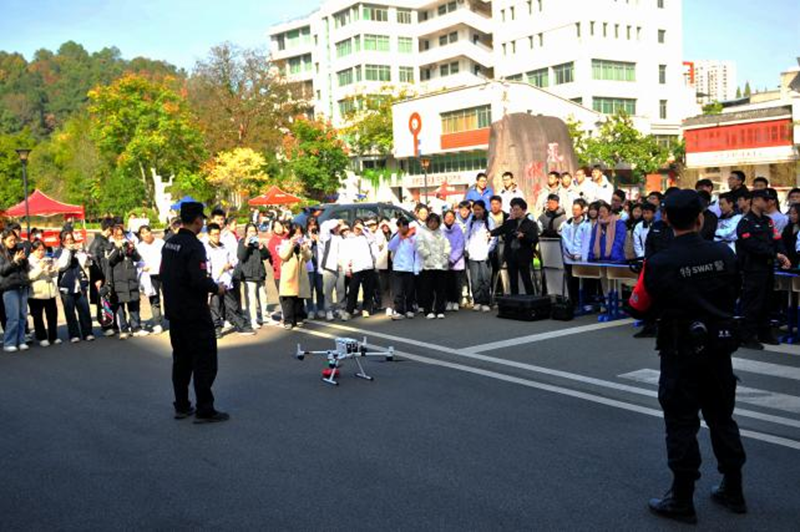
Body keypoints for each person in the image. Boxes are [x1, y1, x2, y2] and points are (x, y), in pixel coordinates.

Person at [628, 189, 747, 525]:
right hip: (719, 351)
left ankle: (681, 499)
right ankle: (734, 489)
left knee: (681, 424)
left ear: (666, 218)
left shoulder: (660, 261)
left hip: (680, 352)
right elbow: (735, 291)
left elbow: (638, 306)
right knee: (722, 419)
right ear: (700, 218)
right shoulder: (723, 253)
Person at [160, 202, 229, 423]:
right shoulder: (194, 246)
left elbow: (165, 276)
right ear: (198, 220)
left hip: (175, 311)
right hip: (194, 312)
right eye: (202, 220)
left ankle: (181, 405)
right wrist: (216, 288)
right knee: (204, 360)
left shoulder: (169, 243)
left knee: (181, 360)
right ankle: (204, 409)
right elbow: (198, 279)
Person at [736, 189, 791, 349]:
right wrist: (775, 254)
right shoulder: (746, 222)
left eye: (770, 200)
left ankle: (764, 332)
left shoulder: (768, 221)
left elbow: (777, 239)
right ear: (755, 200)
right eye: (765, 200)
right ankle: (747, 336)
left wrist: (782, 254)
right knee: (753, 302)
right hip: (753, 268)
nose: (768, 203)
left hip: (767, 267)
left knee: (767, 301)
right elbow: (751, 245)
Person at [205, 223, 254, 337]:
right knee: (215, 307)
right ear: (209, 235)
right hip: (215, 283)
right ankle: (216, 329)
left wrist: (230, 265)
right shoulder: (206, 249)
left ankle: (241, 326)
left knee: (232, 306)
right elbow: (207, 267)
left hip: (227, 281)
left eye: (218, 234)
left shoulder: (224, 247)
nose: (217, 237)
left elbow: (234, 259)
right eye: (214, 234)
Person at [491, 198, 539, 295]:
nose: (515, 212)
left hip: (524, 255)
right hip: (511, 255)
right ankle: (514, 299)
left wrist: (523, 236)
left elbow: (534, 238)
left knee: (526, 279)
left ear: (524, 210)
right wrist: (490, 233)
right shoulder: (509, 223)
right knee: (513, 280)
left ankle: (530, 298)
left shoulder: (531, 224)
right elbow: (500, 230)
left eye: (517, 209)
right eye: (513, 209)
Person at [54, 231, 95, 343]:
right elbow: (62, 266)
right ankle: (74, 334)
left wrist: (82, 252)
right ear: (62, 241)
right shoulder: (59, 252)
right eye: (67, 240)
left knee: (84, 310)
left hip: (80, 285)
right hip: (66, 286)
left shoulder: (78, 251)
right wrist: (69, 252)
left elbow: (87, 263)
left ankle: (88, 332)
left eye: (71, 239)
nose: (70, 242)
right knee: (70, 312)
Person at [107, 225, 145, 339]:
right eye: (117, 235)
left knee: (134, 304)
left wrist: (132, 249)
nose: (120, 237)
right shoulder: (110, 245)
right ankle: (123, 329)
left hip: (131, 279)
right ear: (113, 235)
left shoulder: (128, 243)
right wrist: (117, 248)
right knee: (119, 307)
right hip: (117, 280)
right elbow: (109, 260)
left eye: (121, 234)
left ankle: (136, 327)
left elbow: (138, 258)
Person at [277, 224, 313, 330]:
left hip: (300, 274)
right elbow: (283, 256)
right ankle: (288, 320)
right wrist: (291, 244)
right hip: (289, 275)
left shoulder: (303, 243)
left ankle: (298, 317)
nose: (298, 236)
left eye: (300, 233)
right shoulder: (285, 243)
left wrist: (304, 248)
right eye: (296, 233)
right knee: (288, 298)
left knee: (299, 298)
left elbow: (308, 257)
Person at [416, 213, 451, 319]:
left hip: (441, 265)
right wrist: (427, 255)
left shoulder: (442, 233)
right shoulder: (422, 233)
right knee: (428, 290)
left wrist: (445, 256)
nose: (433, 224)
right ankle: (428, 310)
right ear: (427, 222)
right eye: (431, 221)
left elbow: (447, 246)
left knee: (441, 289)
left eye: (435, 222)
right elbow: (419, 246)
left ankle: (440, 310)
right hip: (428, 266)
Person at [0, 228, 30, 352]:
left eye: (14, 240)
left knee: (23, 316)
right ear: (3, 240)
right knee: (13, 317)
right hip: (9, 287)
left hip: (22, 285)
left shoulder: (19, 250)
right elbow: (2, 270)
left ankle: (21, 340)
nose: (13, 242)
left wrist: (24, 260)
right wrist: (14, 261)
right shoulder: (1, 252)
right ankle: (9, 342)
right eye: (10, 240)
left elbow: (26, 268)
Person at [237, 223, 271, 330]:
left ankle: (265, 316)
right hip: (248, 274)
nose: (252, 233)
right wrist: (246, 245)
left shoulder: (258, 242)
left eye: (254, 231)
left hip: (260, 273)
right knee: (251, 299)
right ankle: (252, 319)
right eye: (250, 231)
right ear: (246, 232)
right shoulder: (242, 242)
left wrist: (262, 247)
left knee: (263, 297)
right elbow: (241, 256)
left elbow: (266, 256)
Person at [342, 219, 377, 320]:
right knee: (353, 289)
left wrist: (363, 228)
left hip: (367, 266)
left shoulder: (366, 237)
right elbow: (345, 255)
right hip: (356, 267)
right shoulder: (348, 239)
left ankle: (366, 309)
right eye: (356, 227)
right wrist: (346, 268)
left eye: (359, 228)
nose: (358, 230)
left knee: (368, 289)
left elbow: (372, 237)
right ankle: (349, 310)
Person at [27, 240, 60, 347]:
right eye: (39, 250)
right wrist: (40, 267)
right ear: (33, 250)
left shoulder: (48, 259)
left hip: (50, 292)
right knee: (37, 316)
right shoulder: (28, 261)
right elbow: (29, 277)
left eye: (43, 250)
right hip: (36, 293)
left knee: (52, 315)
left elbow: (54, 274)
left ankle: (53, 336)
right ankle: (42, 337)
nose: (41, 252)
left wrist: (53, 270)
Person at [465, 200, 496, 312]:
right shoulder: (471, 220)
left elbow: (494, 237)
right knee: (475, 279)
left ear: (483, 209)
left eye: (479, 209)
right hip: (473, 254)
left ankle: (485, 301)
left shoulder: (489, 220)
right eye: (475, 209)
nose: (477, 212)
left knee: (485, 278)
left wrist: (488, 250)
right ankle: (477, 301)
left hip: (484, 254)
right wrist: (467, 248)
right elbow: (466, 235)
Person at [88, 217, 116, 337]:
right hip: (101, 277)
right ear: (109, 228)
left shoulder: (104, 241)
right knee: (103, 302)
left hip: (107, 275)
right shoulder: (98, 243)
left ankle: (112, 324)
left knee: (109, 300)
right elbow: (93, 263)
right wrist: (98, 278)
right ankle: (106, 326)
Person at [560, 198, 590, 305]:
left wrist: (579, 253)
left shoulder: (586, 224)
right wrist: (569, 254)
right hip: (569, 257)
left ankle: (584, 302)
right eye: (573, 209)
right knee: (571, 280)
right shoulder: (566, 224)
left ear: (582, 211)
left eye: (577, 210)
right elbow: (564, 240)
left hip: (582, 257)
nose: (574, 212)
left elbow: (586, 242)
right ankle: (573, 301)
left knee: (584, 281)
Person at [137, 225, 166, 334]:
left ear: (151, 232)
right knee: (154, 300)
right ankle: (157, 323)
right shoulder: (139, 247)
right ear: (140, 235)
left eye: (147, 232)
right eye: (143, 233)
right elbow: (137, 262)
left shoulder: (160, 243)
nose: (146, 235)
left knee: (169, 297)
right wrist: (142, 267)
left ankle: (173, 319)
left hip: (163, 273)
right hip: (150, 275)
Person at [388, 217, 418, 320]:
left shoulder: (413, 237)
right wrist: (399, 236)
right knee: (398, 292)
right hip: (397, 268)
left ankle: (410, 310)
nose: (402, 228)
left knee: (409, 291)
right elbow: (390, 247)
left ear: (407, 226)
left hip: (409, 268)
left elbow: (416, 252)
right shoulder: (395, 236)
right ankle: (399, 311)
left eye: (404, 226)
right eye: (400, 226)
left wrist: (416, 268)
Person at [319, 219, 347, 321]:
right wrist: (336, 221)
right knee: (328, 291)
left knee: (341, 290)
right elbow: (324, 225)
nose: (337, 228)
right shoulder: (327, 236)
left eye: (339, 227)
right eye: (336, 226)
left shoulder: (343, 238)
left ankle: (341, 309)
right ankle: (329, 310)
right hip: (329, 267)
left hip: (340, 267)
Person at [442, 210, 465, 311]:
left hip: (457, 261)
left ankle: (456, 301)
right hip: (444, 261)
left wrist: (452, 259)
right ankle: (448, 301)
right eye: (447, 217)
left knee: (456, 283)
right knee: (447, 283)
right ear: (444, 219)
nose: (449, 218)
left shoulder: (458, 229)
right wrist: (445, 258)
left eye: (451, 216)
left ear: (454, 218)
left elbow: (460, 246)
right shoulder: (441, 230)